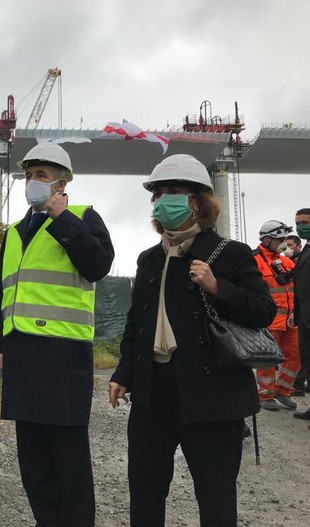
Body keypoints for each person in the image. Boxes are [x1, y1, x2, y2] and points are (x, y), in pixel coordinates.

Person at [108, 154, 276, 527]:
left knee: (215, 498)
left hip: (213, 396)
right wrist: (123, 372)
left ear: (198, 201)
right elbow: (137, 324)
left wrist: (219, 287)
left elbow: (264, 311)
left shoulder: (230, 254)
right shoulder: (149, 259)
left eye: (174, 192)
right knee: (145, 492)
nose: (164, 200)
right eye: (159, 194)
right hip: (154, 393)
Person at [0, 143, 114, 527]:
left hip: (63, 356)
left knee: (68, 459)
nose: (32, 182)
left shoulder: (82, 216)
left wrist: (62, 220)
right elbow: (4, 292)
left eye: (41, 175)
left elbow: (97, 265)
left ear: (62, 181)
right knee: (33, 460)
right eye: (29, 175)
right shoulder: (13, 232)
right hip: (22, 353)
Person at [253, 221, 300, 411]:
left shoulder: (287, 262)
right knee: (268, 358)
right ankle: (265, 395)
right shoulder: (253, 259)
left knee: (296, 355)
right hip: (269, 319)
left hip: (291, 319)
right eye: (280, 240)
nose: (283, 244)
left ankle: (283, 390)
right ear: (267, 239)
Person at [293, 208, 310, 420]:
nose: (300, 226)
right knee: (307, 360)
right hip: (304, 316)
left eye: (304, 221)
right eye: (297, 222)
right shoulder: (305, 249)